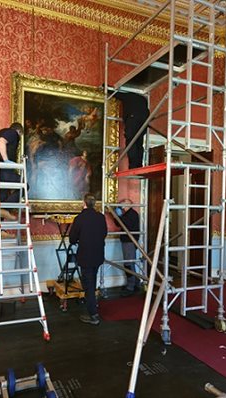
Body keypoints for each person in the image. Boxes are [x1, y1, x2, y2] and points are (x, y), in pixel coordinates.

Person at [69, 193, 107, 325]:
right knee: (92, 281)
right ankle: (93, 306)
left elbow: (72, 239)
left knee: (88, 285)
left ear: (84, 203)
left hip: (85, 256)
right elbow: (104, 233)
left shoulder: (80, 218)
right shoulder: (101, 217)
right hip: (97, 254)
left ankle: (93, 315)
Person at [0, 122, 24, 221]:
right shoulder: (12, 132)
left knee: (1, 198)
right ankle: (4, 209)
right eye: (20, 135)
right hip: (1, 170)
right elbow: (1, 141)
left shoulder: (0, 132)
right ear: (19, 131)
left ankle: (0, 230)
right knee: (24, 186)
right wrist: (6, 160)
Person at [114, 92, 150, 169]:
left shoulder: (128, 95)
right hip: (144, 119)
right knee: (139, 142)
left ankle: (133, 166)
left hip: (133, 118)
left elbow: (116, 94)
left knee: (131, 141)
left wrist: (105, 88)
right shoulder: (143, 99)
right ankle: (138, 165)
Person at [114, 198, 141, 297]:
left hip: (130, 241)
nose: (122, 205)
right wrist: (117, 215)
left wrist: (120, 215)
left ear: (128, 204)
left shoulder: (132, 214)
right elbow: (118, 223)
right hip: (126, 240)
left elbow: (125, 224)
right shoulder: (126, 213)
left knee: (128, 263)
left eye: (123, 204)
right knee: (130, 263)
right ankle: (136, 282)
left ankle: (131, 286)